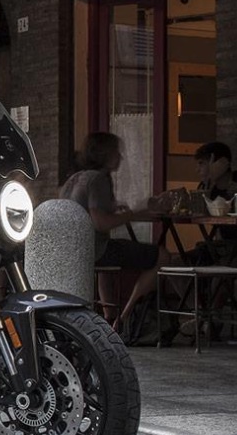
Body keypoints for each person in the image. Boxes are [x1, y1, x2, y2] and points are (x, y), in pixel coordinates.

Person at [60, 132, 170, 330]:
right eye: (116, 152)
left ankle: (110, 316)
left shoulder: (76, 178)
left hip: (70, 249)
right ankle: (125, 316)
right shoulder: (98, 179)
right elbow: (101, 223)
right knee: (162, 256)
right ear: (105, 154)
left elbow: (94, 210)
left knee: (107, 268)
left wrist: (128, 210)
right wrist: (132, 215)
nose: (121, 156)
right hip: (93, 250)